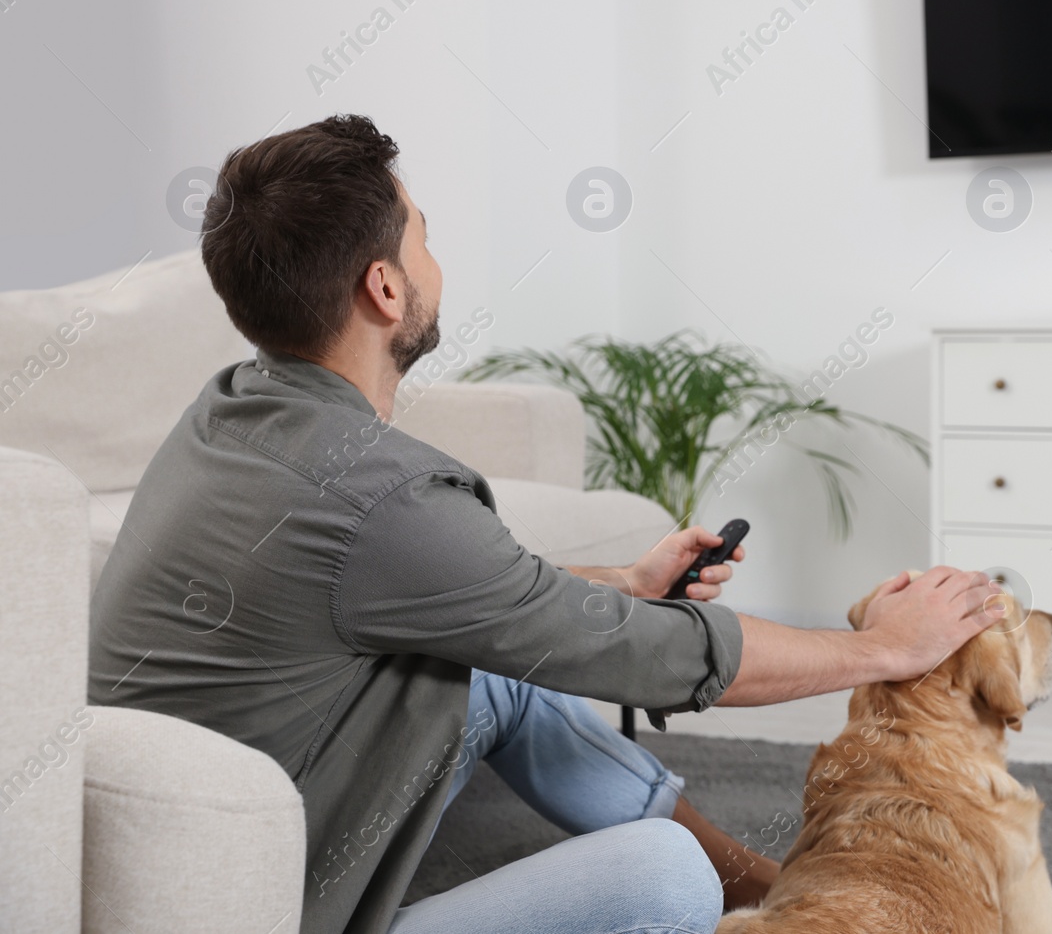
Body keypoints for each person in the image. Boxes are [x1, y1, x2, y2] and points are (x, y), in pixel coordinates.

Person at [88, 115, 1001, 934]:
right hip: (272, 905)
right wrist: (885, 649)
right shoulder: (379, 496)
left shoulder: (227, 412)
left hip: (207, 844)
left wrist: (632, 589)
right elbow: (666, 660)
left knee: (499, 681)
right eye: (424, 240)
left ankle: (773, 894)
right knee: (662, 878)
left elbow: (499, 602)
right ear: (385, 289)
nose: (434, 261)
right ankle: (728, 892)